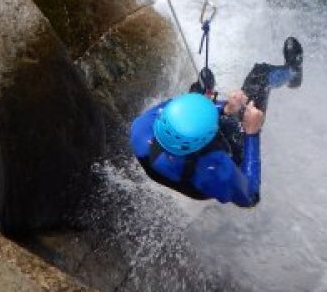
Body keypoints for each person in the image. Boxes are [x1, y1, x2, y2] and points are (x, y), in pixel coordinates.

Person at [130, 37, 304, 206]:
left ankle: (207, 100)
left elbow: (177, 106)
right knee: (261, 75)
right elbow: (251, 196)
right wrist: (252, 132)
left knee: (201, 92)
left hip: (182, 163)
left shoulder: (141, 127)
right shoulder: (216, 169)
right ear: (210, 136)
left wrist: (225, 107)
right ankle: (293, 71)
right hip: (200, 176)